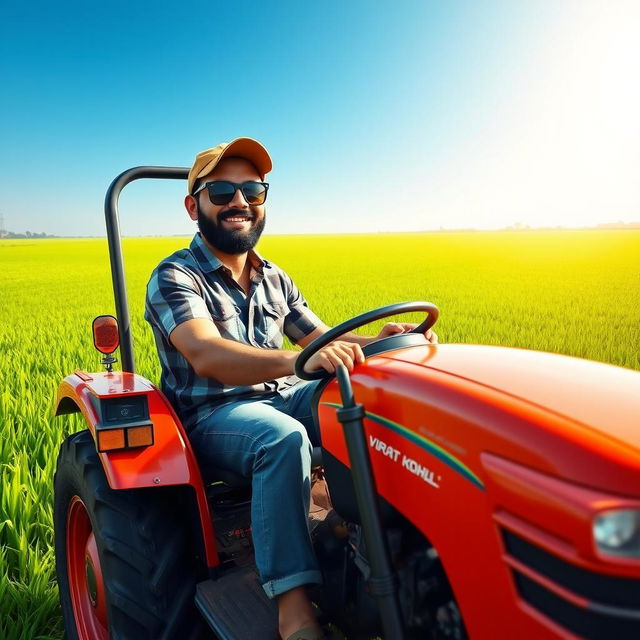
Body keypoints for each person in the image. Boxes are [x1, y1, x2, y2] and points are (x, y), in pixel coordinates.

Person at [144, 137, 437, 640]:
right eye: (222, 191)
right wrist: (300, 360)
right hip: (216, 416)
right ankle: (294, 609)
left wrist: (381, 341)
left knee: (369, 395)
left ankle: (390, 548)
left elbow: (322, 340)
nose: (240, 201)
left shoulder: (275, 276)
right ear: (195, 205)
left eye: (252, 190)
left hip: (282, 396)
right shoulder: (175, 275)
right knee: (281, 438)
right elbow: (207, 354)